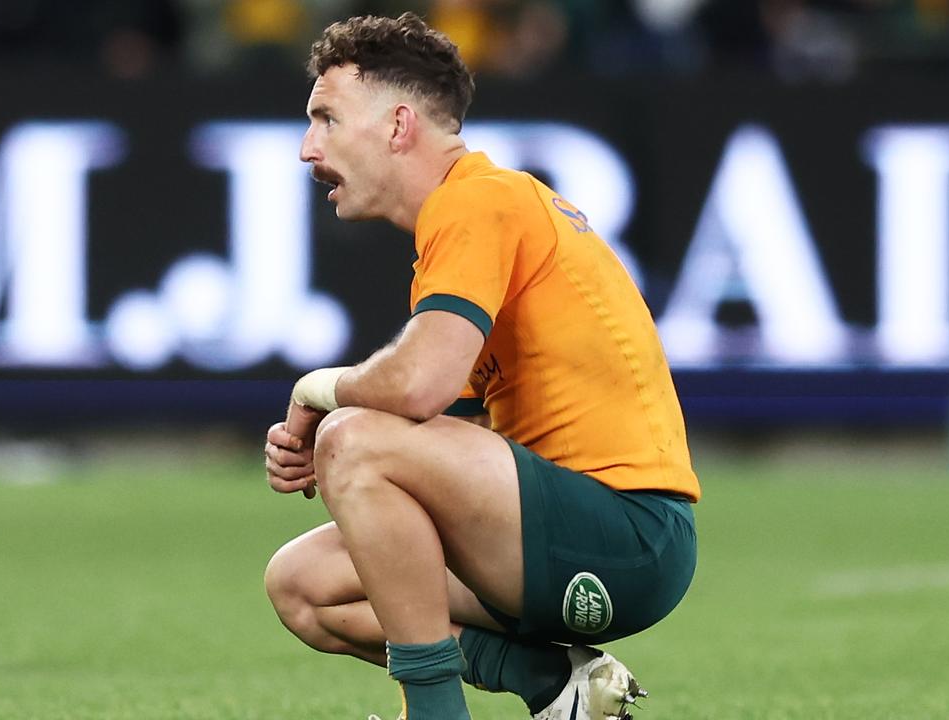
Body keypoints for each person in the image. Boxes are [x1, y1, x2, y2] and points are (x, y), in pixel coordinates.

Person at [262, 12, 700, 720]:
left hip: (626, 536)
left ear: (399, 125)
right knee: (305, 584)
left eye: (326, 119)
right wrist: (329, 441)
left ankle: (436, 715)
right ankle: (557, 687)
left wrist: (317, 394)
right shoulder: (472, 216)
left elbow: (416, 388)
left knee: (354, 438)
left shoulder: (477, 200)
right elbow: (436, 424)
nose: (308, 148)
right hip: (559, 542)